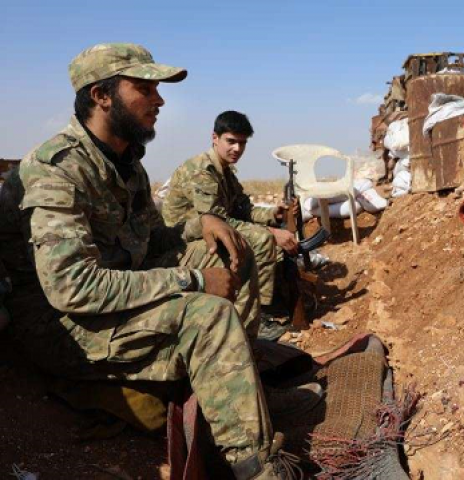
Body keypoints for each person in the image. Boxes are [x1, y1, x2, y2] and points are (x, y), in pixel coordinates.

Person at [0, 43, 298, 479]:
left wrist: (203, 223)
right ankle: (254, 465)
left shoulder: (126, 164)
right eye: (145, 88)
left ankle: (239, 388)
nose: (159, 101)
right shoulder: (57, 170)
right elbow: (73, 289)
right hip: (62, 327)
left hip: (116, 298)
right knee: (206, 314)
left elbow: (151, 241)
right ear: (102, 96)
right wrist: (195, 281)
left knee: (233, 245)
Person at [162, 112, 300, 338]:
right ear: (215, 138)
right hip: (182, 239)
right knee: (262, 239)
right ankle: (261, 316)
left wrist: (273, 215)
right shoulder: (202, 171)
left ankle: (266, 305)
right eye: (231, 141)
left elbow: (243, 208)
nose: (237, 148)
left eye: (242, 143)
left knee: (267, 239)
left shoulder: (225, 171)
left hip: (208, 232)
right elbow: (217, 220)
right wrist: (271, 232)